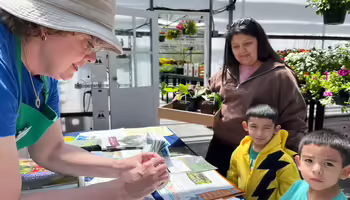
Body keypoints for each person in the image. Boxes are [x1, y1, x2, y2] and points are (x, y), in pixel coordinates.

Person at [0, 1, 168, 200]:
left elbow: (51, 150)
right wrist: (121, 191)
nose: (92, 57)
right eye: (89, 42)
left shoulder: (46, 76)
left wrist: (121, 166)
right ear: (46, 27)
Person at [206, 17, 307, 176]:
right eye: (235, 46)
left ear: (260, 43)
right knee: (214, 192)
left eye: (247, 43)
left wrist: (288, 155)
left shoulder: (280, 75)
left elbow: (295, 120)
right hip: (220, 147)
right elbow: (208, 93)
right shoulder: (226, 72)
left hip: (258, 152)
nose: (242, 50)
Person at [227, 104, 301, 199]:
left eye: (266, 128)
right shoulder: (239, 151)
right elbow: (232, 178)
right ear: (245, 126)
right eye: (254, 126)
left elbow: (291, 195)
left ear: (276, 129)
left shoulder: (284, 161)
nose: (259, 133)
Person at [281, 129, 350, 200]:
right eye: (309, 160)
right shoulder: (298, 186)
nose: (316, 170)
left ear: (345, 172)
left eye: (328, 164)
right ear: (299, 163)